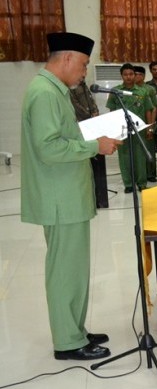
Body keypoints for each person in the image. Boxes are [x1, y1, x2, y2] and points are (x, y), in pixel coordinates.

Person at [20, 32, 120, 360]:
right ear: (66, 59)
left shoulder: (55, 91)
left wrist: (93, 132)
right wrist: (95, 145)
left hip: (67, 195)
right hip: (59, 197)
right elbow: (48, 148)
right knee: (64, 271)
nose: (84, 73)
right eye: (83, 65)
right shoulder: (45, 93)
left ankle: (75, 329)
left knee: (75, 269)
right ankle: (67, 341)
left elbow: (63, 134)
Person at [107, 63, 155, 193]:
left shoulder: (142, 91)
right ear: (121, 76)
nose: (128, 77)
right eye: (125, 74)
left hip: (139, 129)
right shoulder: (115, 91)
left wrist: (150, 128)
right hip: (121, 130)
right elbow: (111, 111)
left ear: (134, 75)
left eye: (131, 74)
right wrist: (112, 131)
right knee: (124, 157)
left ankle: (142, 183)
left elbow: (148, 111)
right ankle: (128, 184)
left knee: (140, 157)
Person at [69, 77, 108, 208]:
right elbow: (75, 105)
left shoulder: (84, 85)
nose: (84, 73)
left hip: (92, 123)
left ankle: (99, 198)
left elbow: (90, 101)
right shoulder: (71, 87)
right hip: (81, 125)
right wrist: (89, 115)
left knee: (97, 161)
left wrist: (95, 111)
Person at [134, 65, 157, 182]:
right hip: (134, 125)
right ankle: (138, 175)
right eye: (135, 74)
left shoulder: (149, 89)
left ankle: (151, 174)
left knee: (149, 150)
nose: (136, 76)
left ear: (143, 76)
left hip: (147, 123)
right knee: (136, 152)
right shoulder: (130, 90)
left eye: (138, 74)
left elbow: (154, 108)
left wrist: (151, 126)